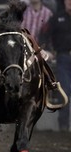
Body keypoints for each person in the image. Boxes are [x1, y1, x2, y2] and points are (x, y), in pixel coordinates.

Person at [39, 0, 71, 131]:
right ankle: (63, 125)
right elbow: (43, 34)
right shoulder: (57, 18)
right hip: (63, 57)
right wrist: (45, 50)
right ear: (64, 2)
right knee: (65, 91)